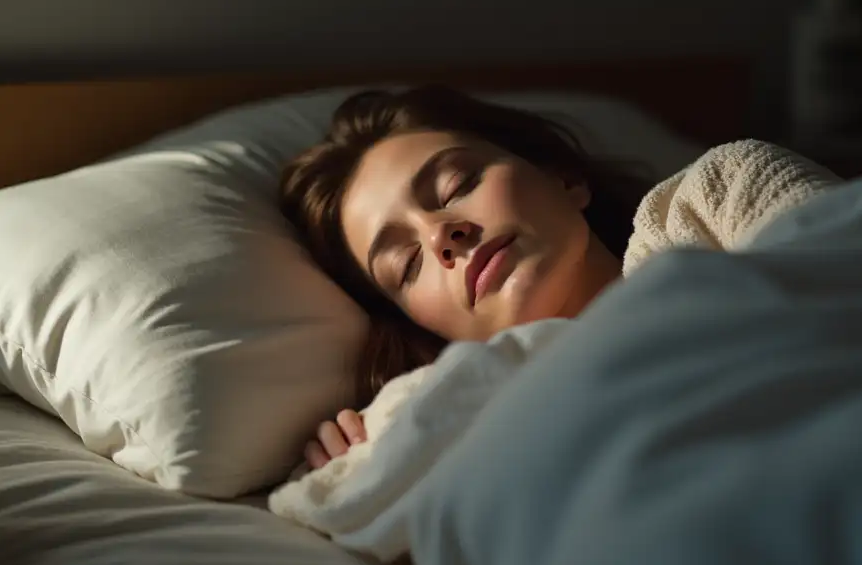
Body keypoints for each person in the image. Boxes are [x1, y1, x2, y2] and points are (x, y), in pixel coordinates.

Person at [279, 84, 655, 471]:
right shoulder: (466, 447)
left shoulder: (709, 216)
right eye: (407, 263)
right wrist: (358, 471)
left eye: (455, 186)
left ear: (563, 177)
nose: (438, 235)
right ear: (423, 325)